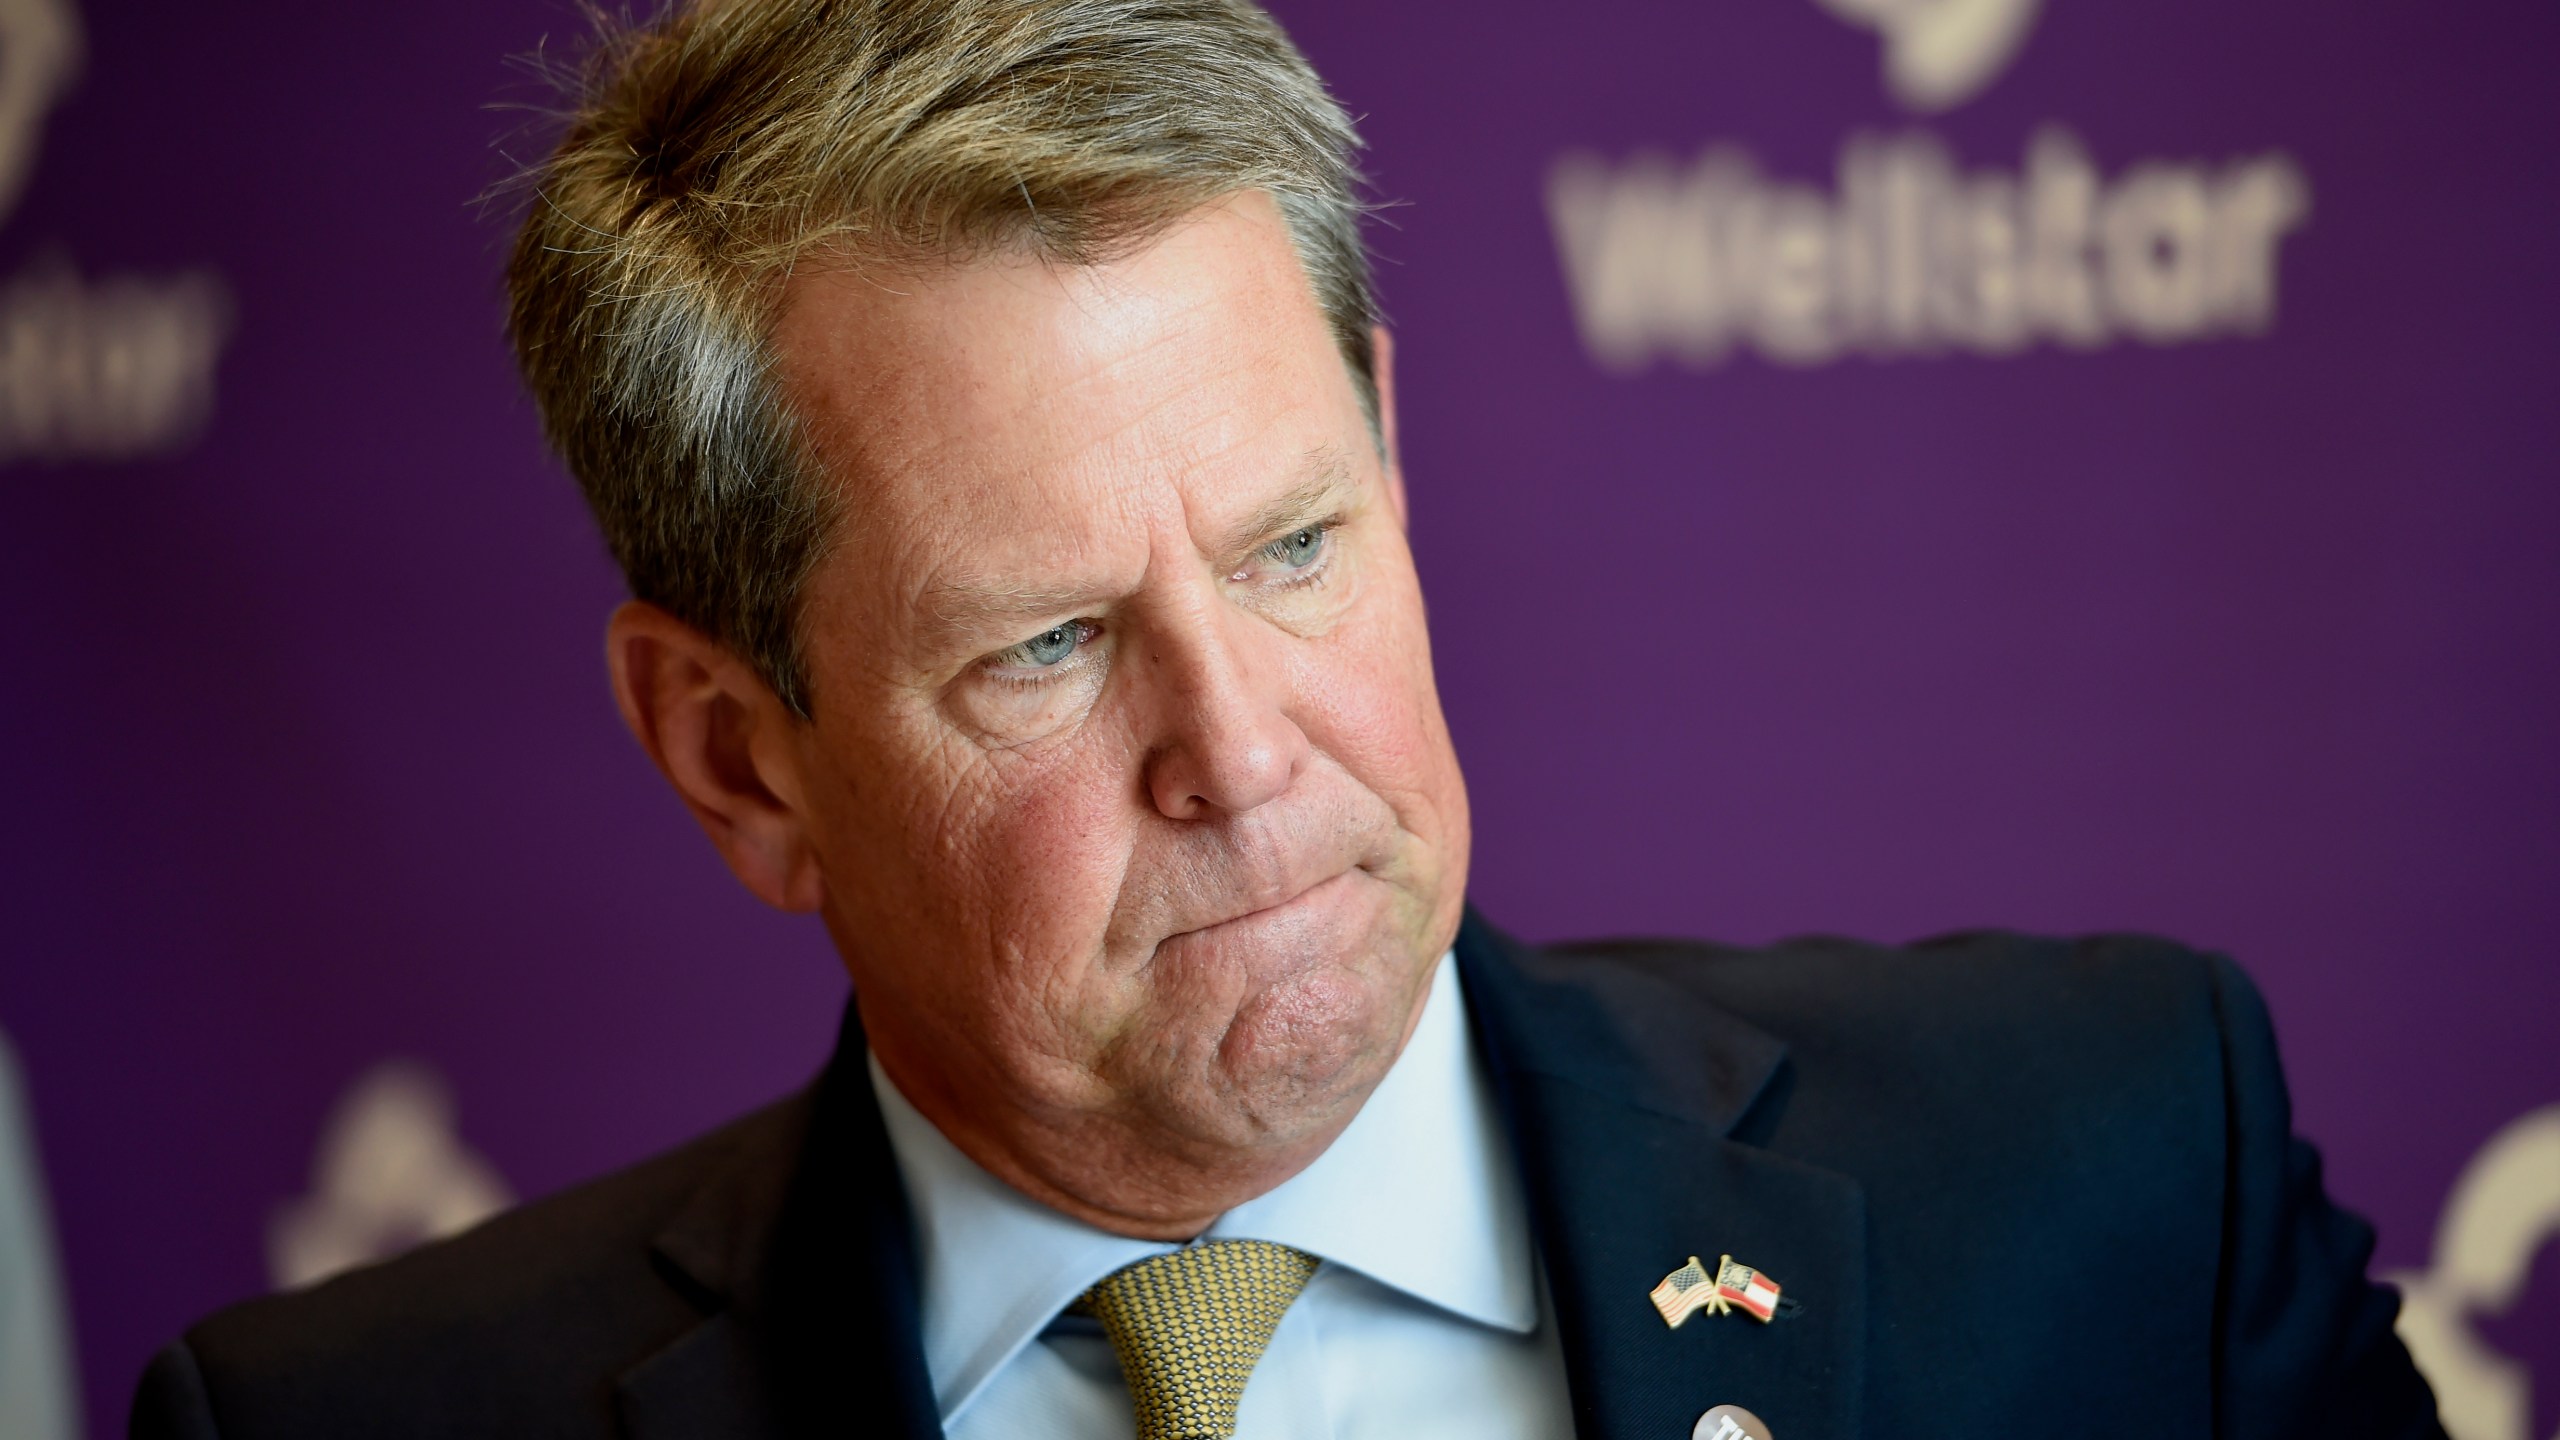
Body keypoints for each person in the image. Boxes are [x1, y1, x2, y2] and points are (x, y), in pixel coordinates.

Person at [131, 1, 2444, 1436]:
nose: (1238, 749)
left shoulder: (2116, 1181)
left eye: (1292, 548)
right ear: (738, 752)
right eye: (1042, 645)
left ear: (1387, 453)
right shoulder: (353, 1424)